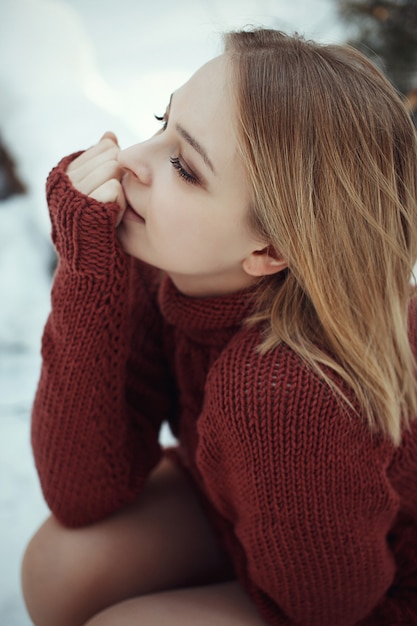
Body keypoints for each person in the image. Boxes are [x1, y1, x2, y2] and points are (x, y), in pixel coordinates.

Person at [21, 28, 417, 626]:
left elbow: (331, 609)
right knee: (59, 566)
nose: (130, 160)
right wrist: (88, 272)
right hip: (262, 513)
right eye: (162, 121)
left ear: (270, 250)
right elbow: (85, 492)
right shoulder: (167, 267)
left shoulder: (284, 395)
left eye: (184, 167)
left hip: (367, 588)